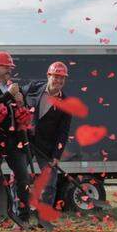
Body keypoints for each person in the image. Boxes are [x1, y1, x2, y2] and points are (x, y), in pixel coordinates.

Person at [0, 51, 33, 226]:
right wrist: (9, 96)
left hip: (14, 141)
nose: (9, 70)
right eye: (6, 67)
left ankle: (23, 217)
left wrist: (21, 103)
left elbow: (23, 114)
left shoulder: (14, 87)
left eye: (10, 67)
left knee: (22, 177)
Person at [23, 61, 74, 208]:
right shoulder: (33, 88)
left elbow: (63, 132)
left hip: (47, 147)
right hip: (26, 142)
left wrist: (57, 155)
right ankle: (21, 216)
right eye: (56, 76)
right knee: (18, 179)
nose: (58, 80)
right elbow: (18, 94)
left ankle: (44, 216)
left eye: (62, 78)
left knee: (50, 183)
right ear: (48, 76)